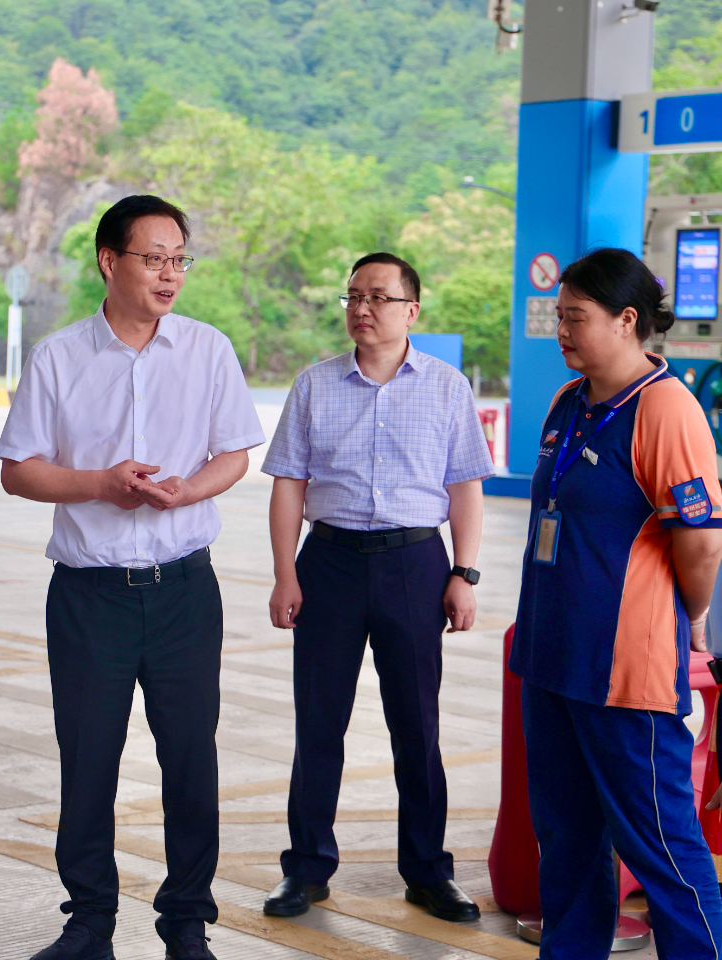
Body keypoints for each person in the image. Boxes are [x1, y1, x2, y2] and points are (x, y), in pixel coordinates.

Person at [0, 195, 265, 960]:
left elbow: (235, 453)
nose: (169, 274)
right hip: (90, 598)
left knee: (190, 761)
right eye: (154, 258)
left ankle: (186, 923)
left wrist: (189, 489)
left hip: (184, 592)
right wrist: (100, 484)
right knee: (88, 763)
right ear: (109, 261)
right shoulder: (59, 357)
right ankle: (89, 924)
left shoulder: (208, 349)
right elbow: (19, 470)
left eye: (179, 259)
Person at [261, 252, 494, 922]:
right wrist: (285, 573)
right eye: (354, 296)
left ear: (411, 310)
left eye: (379, 297)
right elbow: (289, 485)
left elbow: (464, 488)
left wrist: (464, 573)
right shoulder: (314, 385)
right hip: (329, 563)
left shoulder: (446, 387)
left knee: (416, 725)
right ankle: (306, 869)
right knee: (319, 721)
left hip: (415, 563)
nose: (363, 308)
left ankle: (428, 871)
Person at [511, 248, 722, 959]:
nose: (561, 332)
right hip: (551, 660)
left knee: (661, 847)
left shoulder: (666, 408)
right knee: (567, 841)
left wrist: (692, 619)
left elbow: (701, 544)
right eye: (559, 317)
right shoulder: (568, 403)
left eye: (576, 318)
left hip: (623, 673)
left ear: (627, 320)